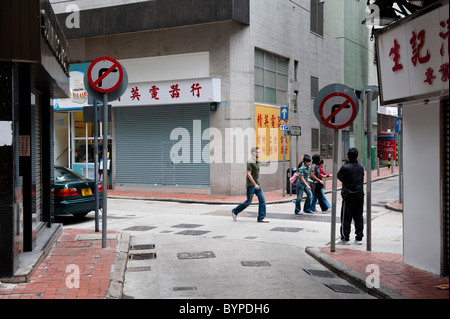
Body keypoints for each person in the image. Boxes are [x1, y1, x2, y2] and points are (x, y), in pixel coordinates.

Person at [232, 147, 269, 223]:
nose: (258, 153)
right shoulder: (250, 162)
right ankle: (235, 211)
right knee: (248, 202)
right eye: (257, 152)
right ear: (253, 153)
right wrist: (254, 184)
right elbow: (249, 174)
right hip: (251, 185)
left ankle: (261, 218)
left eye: (259, 152)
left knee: (262, 200)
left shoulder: (256, 161)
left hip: (257, 185)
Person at [337, 148, 365, 245]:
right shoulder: (361, 167)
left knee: (346, 217)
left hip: (348, 196)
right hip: (359, 195)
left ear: (348, 156)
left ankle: (345, 238)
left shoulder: (345, 167)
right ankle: (359, 238)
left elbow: (339, 177)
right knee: (358, 217)